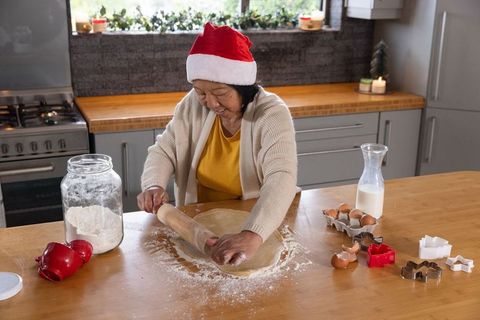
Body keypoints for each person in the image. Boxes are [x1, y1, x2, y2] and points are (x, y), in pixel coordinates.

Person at [137, 22, 297, 266]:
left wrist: (253, 234)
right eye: (201, 91)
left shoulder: (272, 114)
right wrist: (153, 184)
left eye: (220, 93)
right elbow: (164, 150)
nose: (210, 102)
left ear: (243, 87)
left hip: (252, 218)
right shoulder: (192, 105)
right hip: (198, 217)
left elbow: (281, 177)